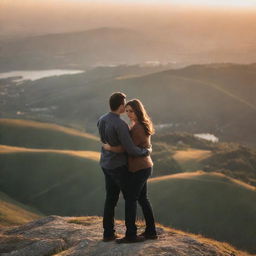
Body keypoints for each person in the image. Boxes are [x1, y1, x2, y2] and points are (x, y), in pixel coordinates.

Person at [97, 92, 150, 243]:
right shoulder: (120, 125)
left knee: (110, 199)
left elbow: (104, 141)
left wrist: (110, 148)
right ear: (120, 106)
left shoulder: (101, 119)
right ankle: (131, 234)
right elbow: (130, 149)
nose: (125, 109)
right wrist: (146, 151)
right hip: (119, 167)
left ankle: (108, 234)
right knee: (130, 199)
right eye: (124, 105)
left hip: (105, 164)